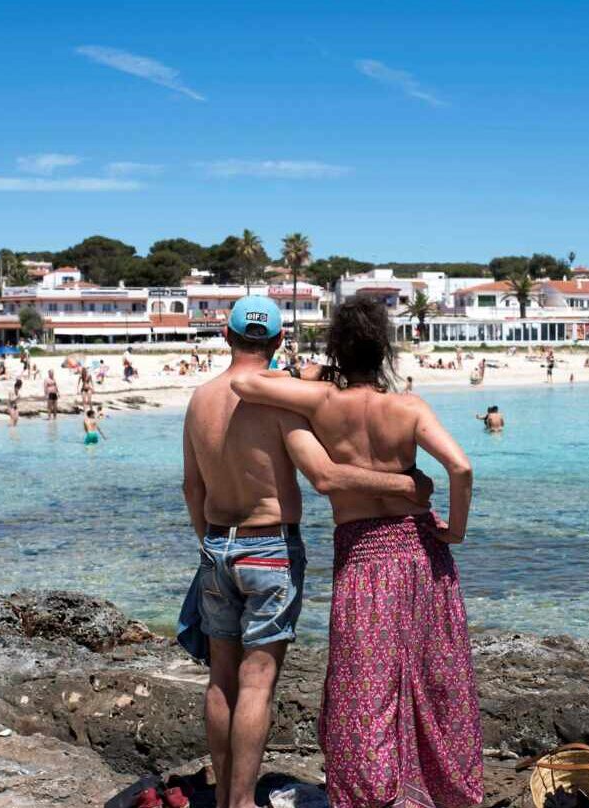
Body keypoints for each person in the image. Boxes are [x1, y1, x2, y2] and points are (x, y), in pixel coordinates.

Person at [179, 297, 434, 808]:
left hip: (216, 543)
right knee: (256, 683)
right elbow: (324, 476)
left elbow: (191, 487)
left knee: (221, 678)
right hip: (269, 545)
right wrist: (406, 485)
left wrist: (209, 544)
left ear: (226, 337)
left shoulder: (199, 399)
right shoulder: (278, 404)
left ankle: (226, 797)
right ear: (276, 343)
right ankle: (244, 802)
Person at [229, 297, 483, 808]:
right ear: (384, 346)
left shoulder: (321, 401)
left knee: (362, 685)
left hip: (362, 557)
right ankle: (438, 789)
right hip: (416, 551)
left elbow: (244, 382)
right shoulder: (408, 407)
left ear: (338, 346)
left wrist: (319, 369)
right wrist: (455, 530)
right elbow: (460, 469)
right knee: (435, 675)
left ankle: (370, 792)